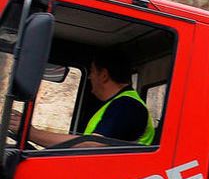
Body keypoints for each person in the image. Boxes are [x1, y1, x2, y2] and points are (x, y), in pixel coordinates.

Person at [9, 53, 154, 147]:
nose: (90, 77)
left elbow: (91, 145)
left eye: (92, 71)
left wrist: (31, 133)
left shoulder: (127, 106)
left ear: (104, 75)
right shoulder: (119, 104)